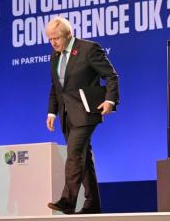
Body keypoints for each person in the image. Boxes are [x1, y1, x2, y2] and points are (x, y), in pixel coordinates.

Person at [46, 17, 119, 214]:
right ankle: (93, 204)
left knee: (74, 153)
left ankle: (67, 201)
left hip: (86, 111)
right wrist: (52, 111)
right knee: (83, 158)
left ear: (67, 35)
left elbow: (111, 76)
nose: (52, 43)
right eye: (49, 39)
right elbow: (56, 86)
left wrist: (110, 101)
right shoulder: (55, 56)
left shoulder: (88, 49)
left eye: (56, 38)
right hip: (66, 113)